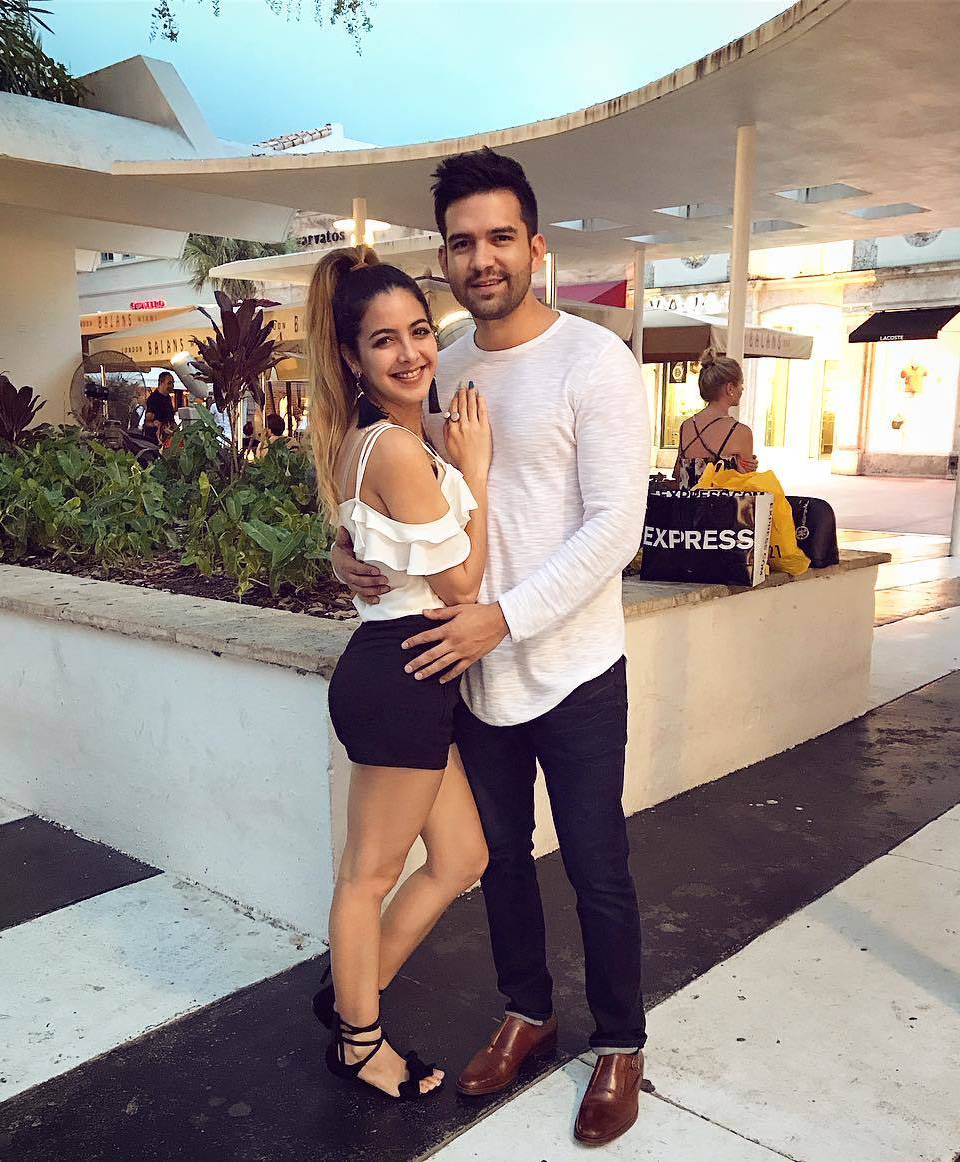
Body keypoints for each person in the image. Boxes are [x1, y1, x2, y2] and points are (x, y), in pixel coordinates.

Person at [332, 148, 650, 1147]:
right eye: (463, 242)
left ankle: (620, 1041)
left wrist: (501, 617)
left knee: (596, 865)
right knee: (501, 860)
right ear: (444, 256)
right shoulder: (443, 361)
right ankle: (527, 1011)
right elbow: (408, 496)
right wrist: (349, 553)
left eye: (501, 237)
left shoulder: (595, 361)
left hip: (574, 665)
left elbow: (616, 529)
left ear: (535, 246)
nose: (483, 258)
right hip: (470, 674)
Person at [309, 246, 492, 1102]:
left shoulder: (384, 440)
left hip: (407, 671)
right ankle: (360, 1042)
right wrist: (477, 474)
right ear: (353, 359)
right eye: (384, 341)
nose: (412, 352)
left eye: (420, 331)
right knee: (368, 875)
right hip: (401, 675)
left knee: (461, 856)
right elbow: (460, 587)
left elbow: (375, 551)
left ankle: (352, 990)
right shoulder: (394, 450)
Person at [673, 350, 758, 488]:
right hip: (725, 502)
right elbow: (745, 485)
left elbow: (677, 474)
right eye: (740, 384)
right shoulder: (741, 432)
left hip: (687, 502)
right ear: (729, 388)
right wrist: (747, 469)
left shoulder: (686, 426)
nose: (742, 389)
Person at [144, 371, 176, 444]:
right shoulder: (153, 399)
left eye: (172, 383)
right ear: (161, 383)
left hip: (167, 438)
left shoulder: (168, 398)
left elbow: (171, 418)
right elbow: (148, 422)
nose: (172, 386)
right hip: (154, 440)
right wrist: (159, 426)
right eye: (169, 383)